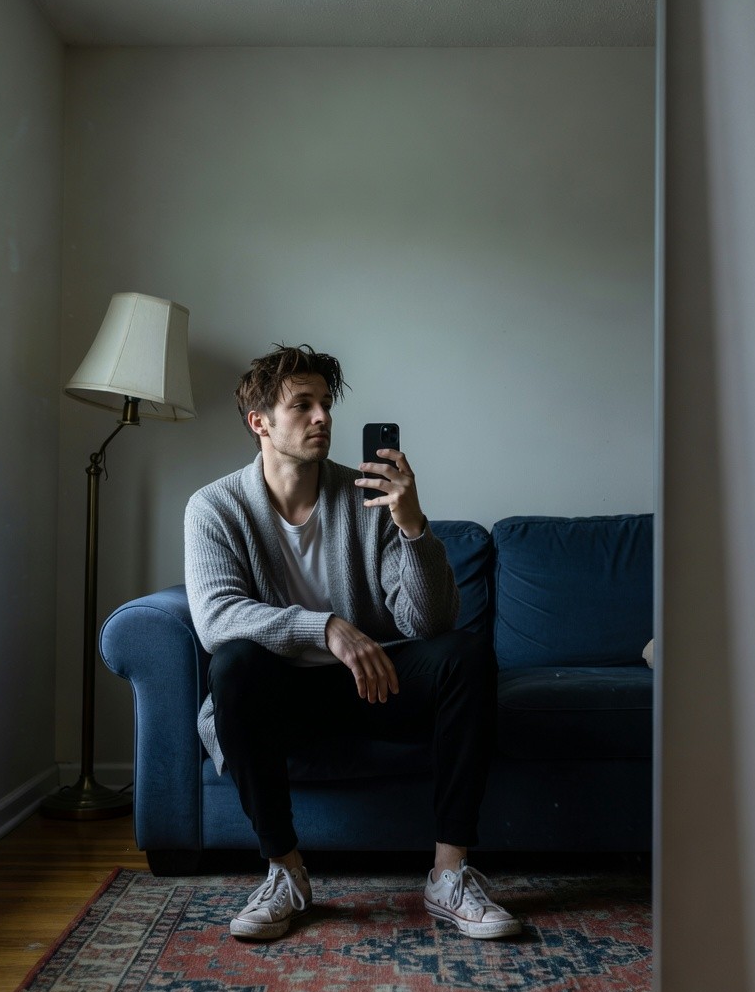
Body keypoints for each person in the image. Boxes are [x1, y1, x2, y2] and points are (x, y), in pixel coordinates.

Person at [186, 344, 522, 942]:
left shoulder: (367, 497)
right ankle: (285, 873)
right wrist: (325, 627)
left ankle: (450, 877)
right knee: (233, 664)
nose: (322, 418)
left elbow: (431, 622)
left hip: (374, 685)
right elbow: (215, 618)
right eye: (302, 405)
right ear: (259, 423)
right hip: (284, 695)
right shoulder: (214, 507)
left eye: (326, 404)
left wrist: (414, 527)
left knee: (466, 654)